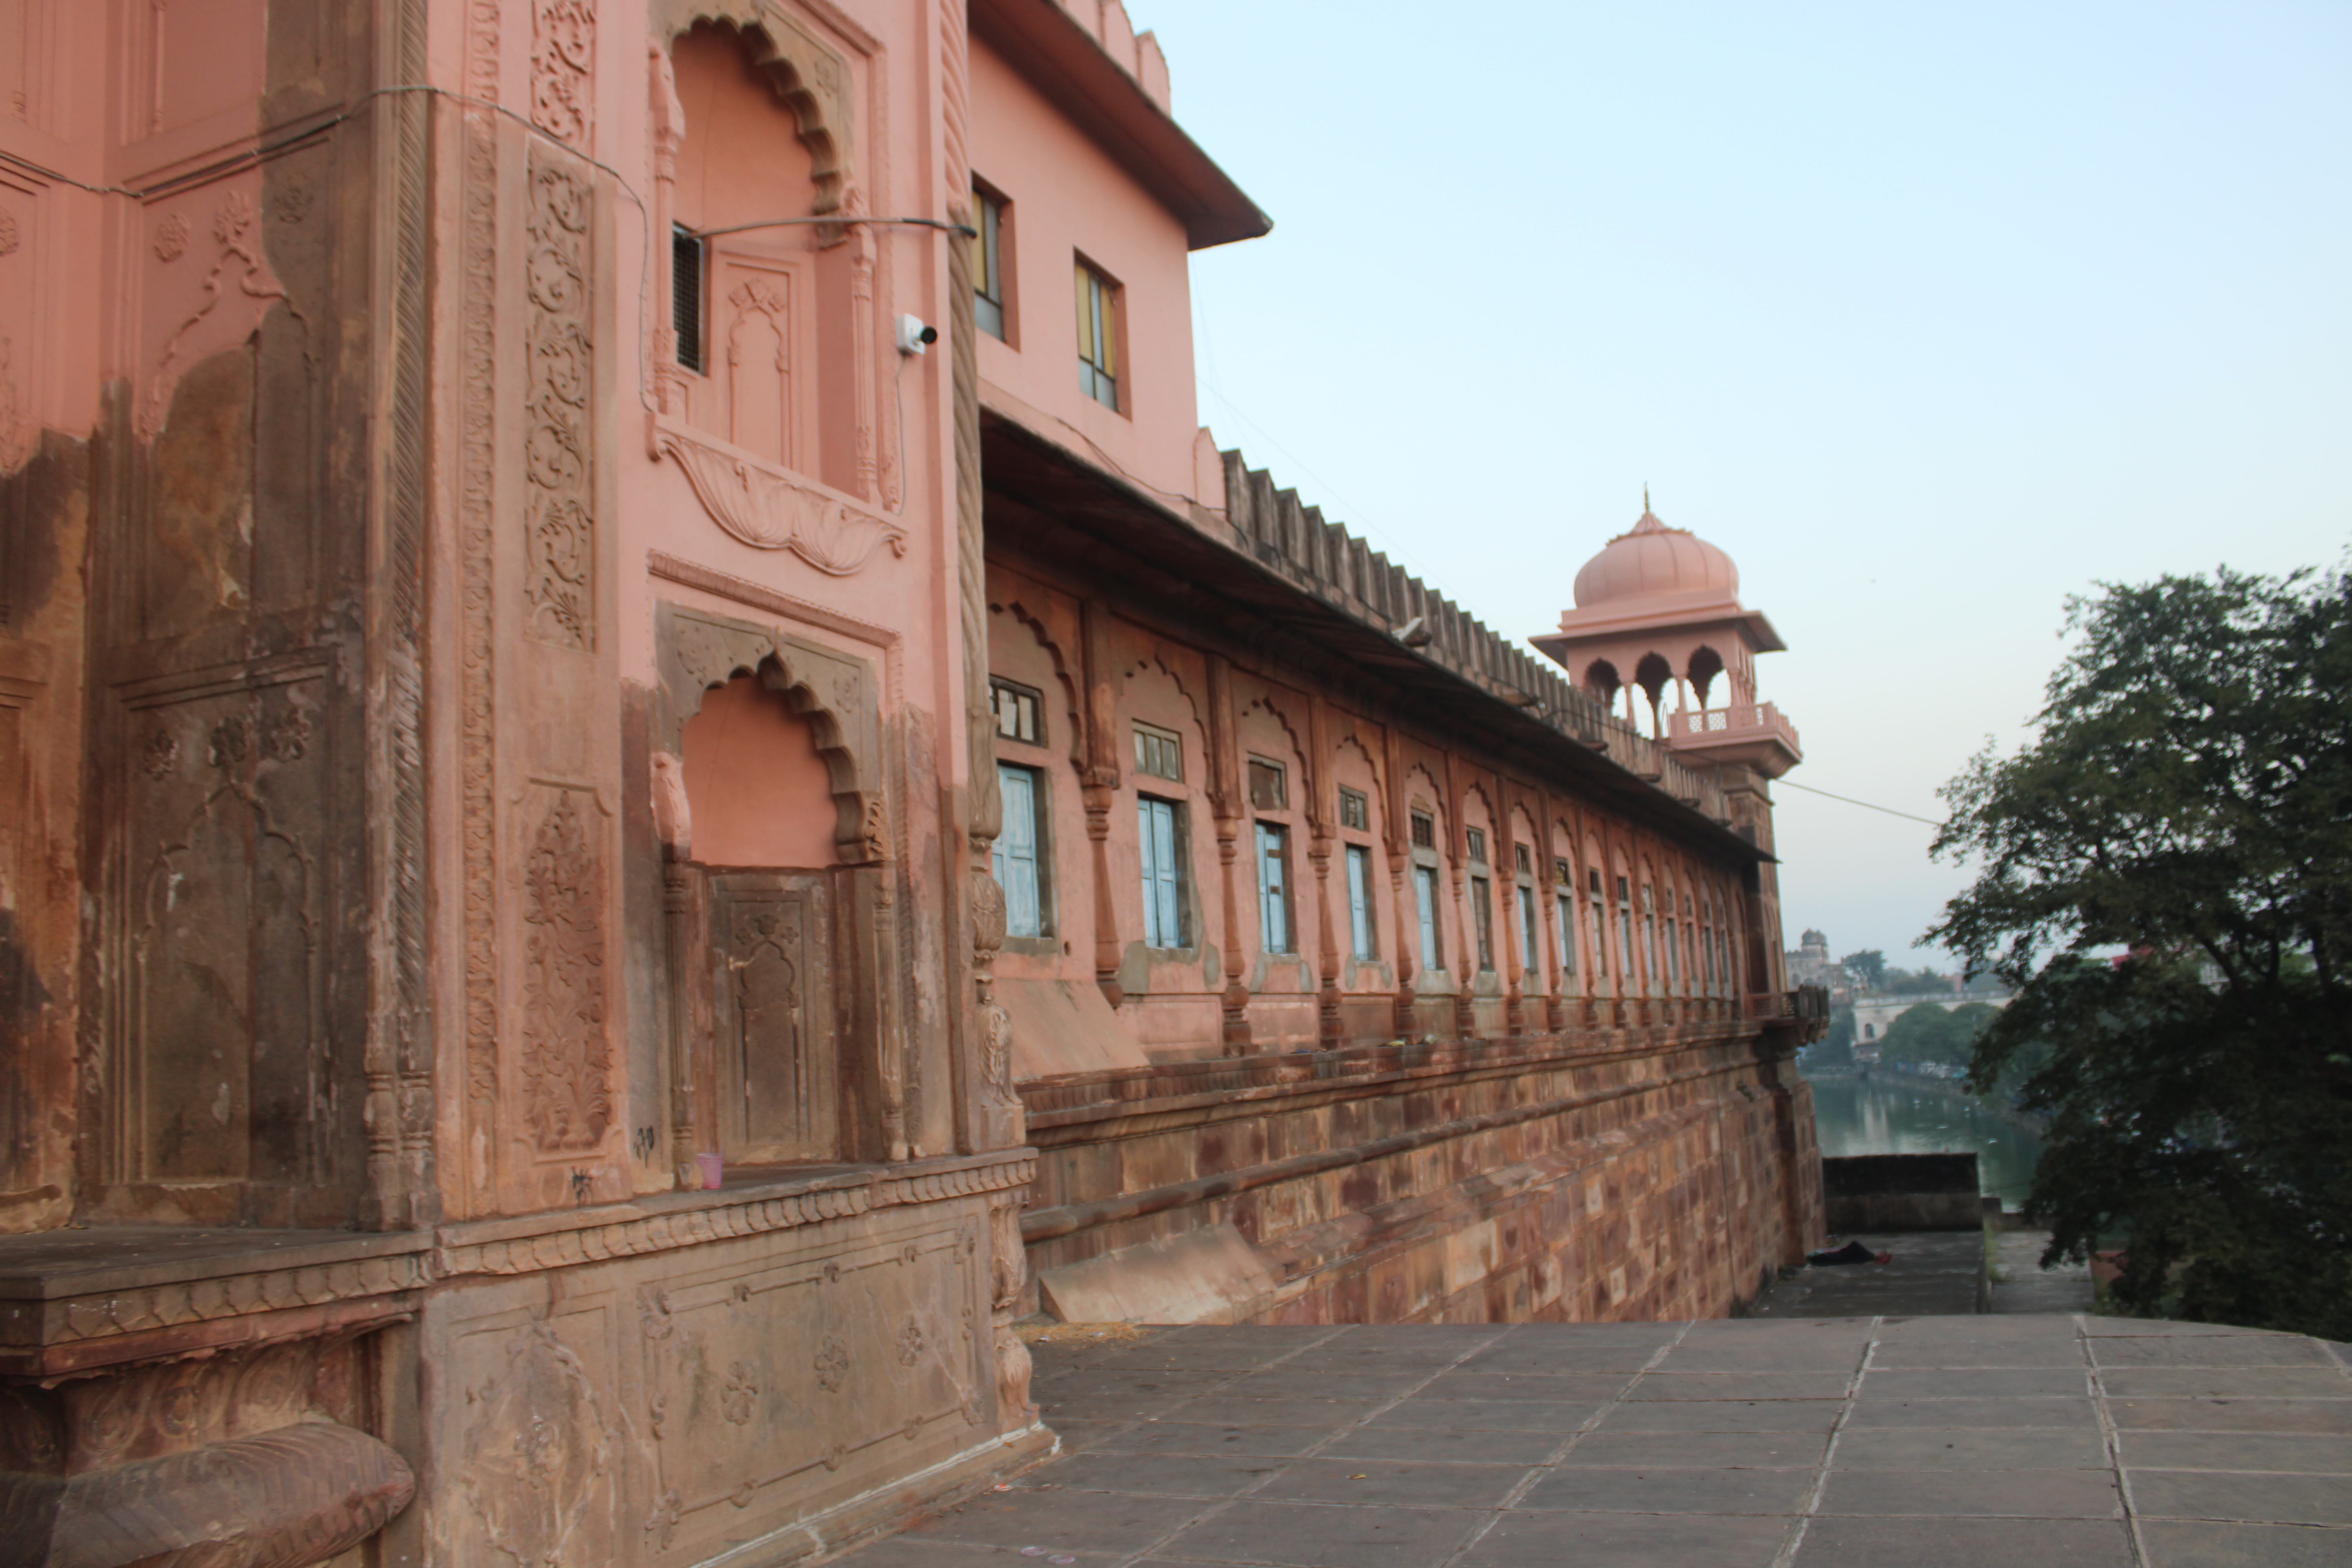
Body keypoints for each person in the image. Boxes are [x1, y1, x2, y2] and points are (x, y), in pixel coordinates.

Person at [1806, 1240, 1893, 1266]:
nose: (1880, 1254)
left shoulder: (1869, 1258)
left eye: (1882, 1255)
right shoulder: (1870, 1257)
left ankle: (1813, 1259)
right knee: (1830, 1257)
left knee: (1830, 1257)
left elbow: (1856, 1247)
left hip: (1843, 1257)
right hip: (1844, 1256)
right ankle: (1814, 1258)